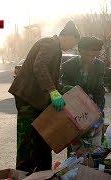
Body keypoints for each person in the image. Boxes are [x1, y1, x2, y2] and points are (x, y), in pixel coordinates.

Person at [8, 21, 80, 173]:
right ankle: (23, 174)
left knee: (42, 137)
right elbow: (39, 66)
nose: (72, 47)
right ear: (66, 36)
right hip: (28, 98)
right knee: (26, 141)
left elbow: (51, 75)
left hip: (37, 100)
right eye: (73, 43)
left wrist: (62, 90)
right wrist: (53, 91)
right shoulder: (49, 43)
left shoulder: (56, 47)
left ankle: (43, 172)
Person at [60, 37, 105, 157]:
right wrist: (72, 90)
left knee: (94, 148)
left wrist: (99, 109)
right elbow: (61, 86)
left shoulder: (99, 66)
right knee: (75, 149)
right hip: (74, 111)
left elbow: (100, 90)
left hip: (92, 110)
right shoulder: (68, 66)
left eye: (94, 56)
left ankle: (91, 169)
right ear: (81, 51)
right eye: (88, 55)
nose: (91, 59)